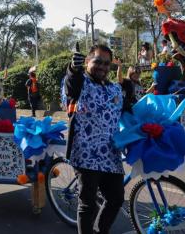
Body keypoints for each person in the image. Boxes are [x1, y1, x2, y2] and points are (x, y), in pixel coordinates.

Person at [63, 44, 124, 234]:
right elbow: (71, 87)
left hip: (111, 155)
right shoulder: (82, 82)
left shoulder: (114, 88)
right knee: (88, 205)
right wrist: (73, 69)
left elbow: (128, 110)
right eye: (98, 61)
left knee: (115, 199)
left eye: (107, 64)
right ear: (87, 61)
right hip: (86, 153)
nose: (103, 67)